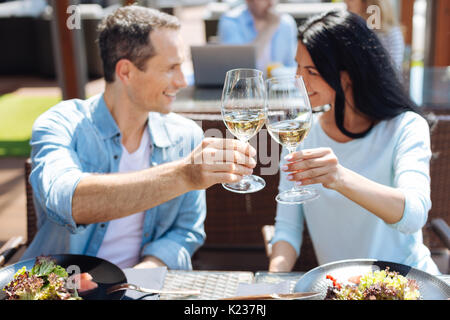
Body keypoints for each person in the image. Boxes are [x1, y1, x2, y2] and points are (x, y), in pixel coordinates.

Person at [21, 6, 257, 270]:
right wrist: (183, 175)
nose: (182, 81)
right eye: (171, 68)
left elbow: (186, 232)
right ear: (126, 72)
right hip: (62, 288)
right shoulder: (61, 123)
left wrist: (144, 274)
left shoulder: (185, 135)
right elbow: (68, 203)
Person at [269, 10, 440, 275]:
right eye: (297, 67)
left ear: (347, 75)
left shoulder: (405, 127)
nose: (297, 80)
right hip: (340, 288)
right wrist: (272, 282)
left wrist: (338, 177)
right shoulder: (302, 134)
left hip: (408, 284)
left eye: (311, 71)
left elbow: (414, 214)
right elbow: (287, 230)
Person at [218, 0, 297, 73]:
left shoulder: (286, 23)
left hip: (277, 85)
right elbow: (237, 68)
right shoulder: (231, 21)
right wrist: (270, 27)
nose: (271, 3)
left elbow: (292, 65)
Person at [344, 0, 405, 71]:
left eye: (351, 0)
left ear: (367, 3)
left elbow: (391, 72)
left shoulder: (391, 34)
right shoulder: (352, 29)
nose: (345, 1)